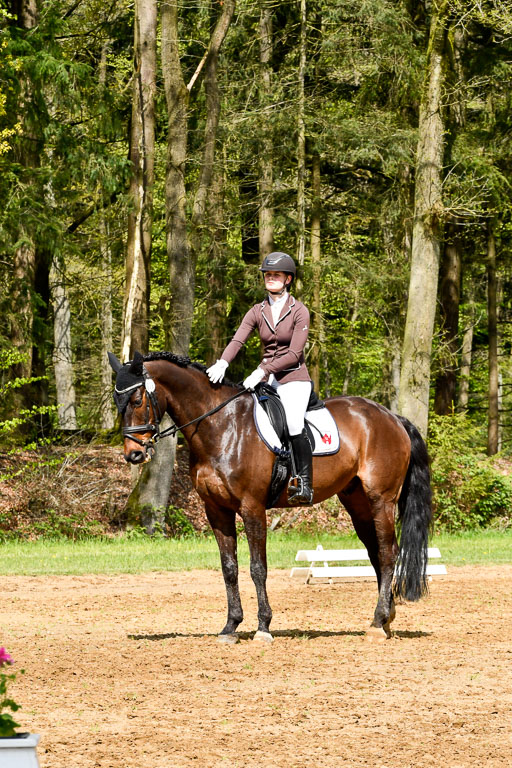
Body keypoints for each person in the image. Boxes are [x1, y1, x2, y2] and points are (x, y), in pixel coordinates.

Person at [206, 252, 313, 505]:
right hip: (266, 379)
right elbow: (238, 339)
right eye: (267, 274)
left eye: (276, 275)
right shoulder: (258, 310)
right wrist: (223, 362)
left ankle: (305, 483)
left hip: (293, 378)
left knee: (295, 423)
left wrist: (263, 371)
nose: (271, 278)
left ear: (288, 279)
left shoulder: (300, 311)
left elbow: (295, 353)